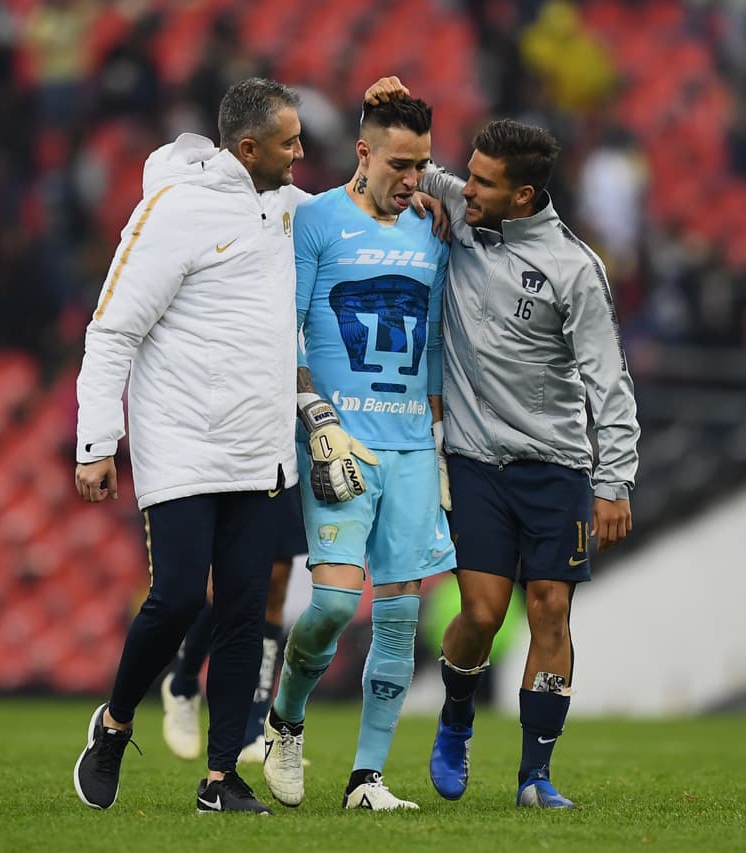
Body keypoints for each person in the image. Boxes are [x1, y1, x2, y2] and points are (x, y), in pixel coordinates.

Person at [367, 81, 640, 809]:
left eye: (482, 182)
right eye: (468, 174)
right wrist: (390, 109)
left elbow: (608, 379)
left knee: (551, 607)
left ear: (523, 196)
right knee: (483, 612)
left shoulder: (575, 270)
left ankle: (535, 774)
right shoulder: (460, 202)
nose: (464, 187)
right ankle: (456, 714)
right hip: (476, 460)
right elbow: (388, 167)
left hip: (556, 465)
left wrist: (614, 481)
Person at [71, 77, 308, 816]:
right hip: (181, 443)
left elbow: (367, 195)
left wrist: (410, 167)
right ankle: (114, 723)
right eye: (289, 142)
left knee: (242, 610)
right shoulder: (173, 211)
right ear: (248, 148)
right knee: (176, 598)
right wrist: (95, 440)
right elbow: (113, 329)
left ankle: (218, 779)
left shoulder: (287, 208)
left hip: (260, 449)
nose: (302, 153)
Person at [260, 96, 454, 812]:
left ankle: (365, 779)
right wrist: (315, 416)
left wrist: (437, 443)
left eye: (424, 164)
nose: (415, 178)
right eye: (401, 163)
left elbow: (433, 343)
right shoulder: (315, 220)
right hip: (340, 439)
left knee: (401, 615)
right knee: (336, 603)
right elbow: (291, 333)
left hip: (410, 444)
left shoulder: (434, 228)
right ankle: (287, 717)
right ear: (363, 154)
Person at [160, 485, 307, 763]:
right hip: (232, 462)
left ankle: (254, 727)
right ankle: (184, 682)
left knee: (276, 584)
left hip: (280, 461)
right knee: (224, 586)